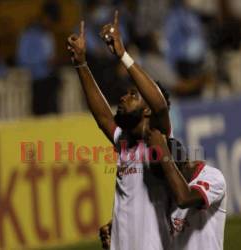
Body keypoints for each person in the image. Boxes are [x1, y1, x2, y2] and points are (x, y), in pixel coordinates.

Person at [67, 11, 172, 250]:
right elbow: (104, 116)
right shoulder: (125, 142)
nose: (124, 96)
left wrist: (123, 55)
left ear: (147, 112)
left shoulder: (158, 138)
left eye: (134, 95)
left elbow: (159, 104)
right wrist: (81, 63)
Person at [147, 129, 227, 250]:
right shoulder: (164, 189)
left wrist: (165, 157)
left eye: (166, 177)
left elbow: (184, 199)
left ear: (182, 167)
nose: (164, 183)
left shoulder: (213, 177)